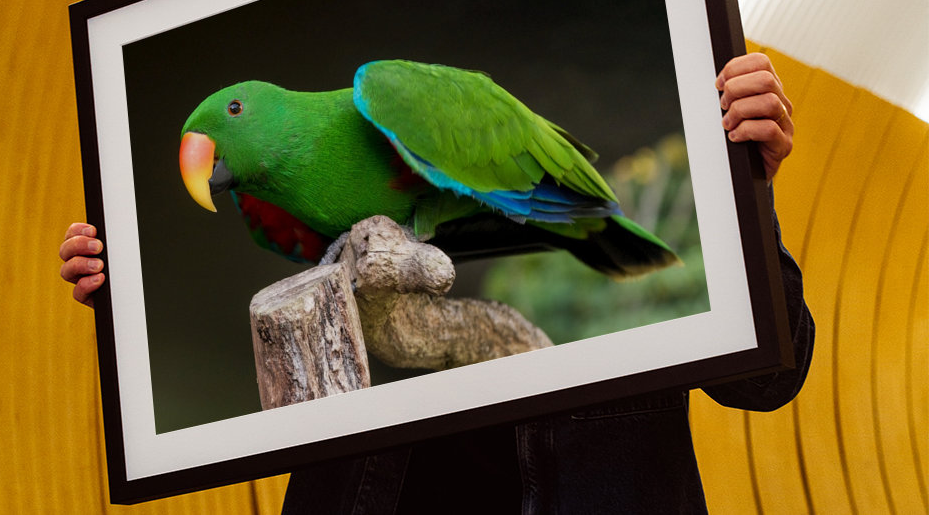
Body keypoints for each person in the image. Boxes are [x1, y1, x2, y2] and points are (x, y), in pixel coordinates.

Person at [60, 53, 813, 513]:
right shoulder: (267, 212)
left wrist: (746, 186)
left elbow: (769, 381)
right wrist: (120, 296)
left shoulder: (385, 92)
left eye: (230, 112)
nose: (212, 139)